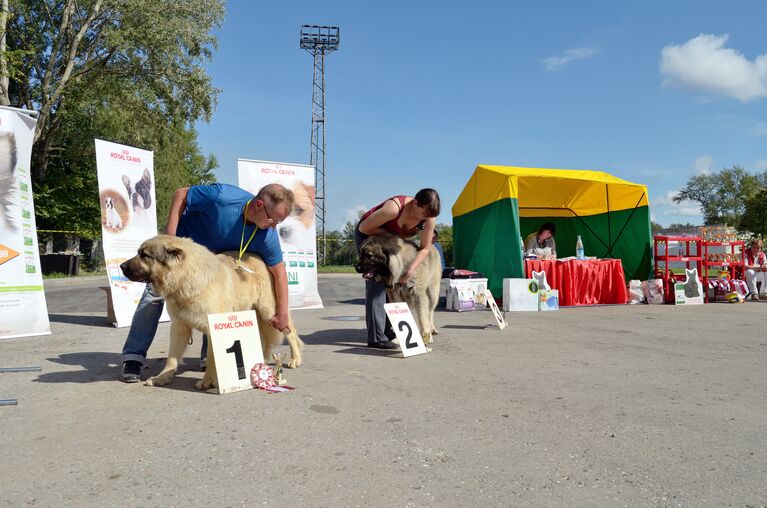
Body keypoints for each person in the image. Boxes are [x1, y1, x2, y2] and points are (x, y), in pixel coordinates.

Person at [119, 182, 293, 382]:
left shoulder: (268, 235)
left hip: (213, 262)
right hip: (180, 252)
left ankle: (209, 360)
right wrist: (170, 239)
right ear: (259, 205)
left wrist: (282, 313)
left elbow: (279, 273)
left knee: (212, 309)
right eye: (273, 220)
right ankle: (133, 356)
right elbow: (180, 194)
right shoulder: (221, 196)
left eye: (278, 222)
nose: (274, 227)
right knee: (152, 297)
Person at [355, 188, 440, 349]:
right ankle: (376, 337)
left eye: (429, 216)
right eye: (424, 214)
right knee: (378, 281)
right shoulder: (394, 209)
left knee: (394, 285)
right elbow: (364, 228)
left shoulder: (429, 217)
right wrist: (392, 239)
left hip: (393, 242)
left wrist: (411, 270)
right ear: (415, 203)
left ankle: (388, 329)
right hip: (370, 235)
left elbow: (425, 248)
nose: (426, 218)